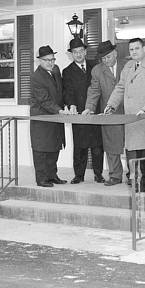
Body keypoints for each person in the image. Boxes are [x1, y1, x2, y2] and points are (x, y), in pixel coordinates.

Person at [105, 38, 145, 192]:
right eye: (131, 50)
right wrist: (111, 105)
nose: (134, 52)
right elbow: (120, 87)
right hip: (132, 119)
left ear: (144, 49)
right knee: (133, 152)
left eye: (137, 48)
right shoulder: (129, 66)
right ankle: (137, 181)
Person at [83, 40, 128, 186]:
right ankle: (115, 175)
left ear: (115, 53)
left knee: (132, 144)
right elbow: (94, 90)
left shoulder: (128, 66)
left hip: (129, 111)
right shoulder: (97, 70)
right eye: (103, 58)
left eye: (108, 57)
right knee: (111, 145)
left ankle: (134, 174)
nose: (105, 60)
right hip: (109, 113)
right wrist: (89, 107)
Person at [62, 38, 105, 184]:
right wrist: (72, 104)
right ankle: (79, 175)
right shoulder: (67, 71)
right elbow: (67, 92)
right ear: (71, 54)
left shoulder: (96, 66)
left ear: (85, 51)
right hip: (79, 113)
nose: (79, 55)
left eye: (81, 51)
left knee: (98, 145)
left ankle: (98, 174)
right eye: (75, 52)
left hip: (96, 111)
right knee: (80, 145)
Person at [30, 46, 69, 187]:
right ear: (39, 61)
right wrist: (59, 110)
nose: (50, 63)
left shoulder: (56, 70)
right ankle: (41, 178)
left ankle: (52, 175)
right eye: (46, 60)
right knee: (41, 149)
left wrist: (67, 106)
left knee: (54, 146)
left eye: (52, 59)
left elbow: (61, 91)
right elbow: (44, 100)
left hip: (56, 117)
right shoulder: (36, 77)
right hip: (42, 118)